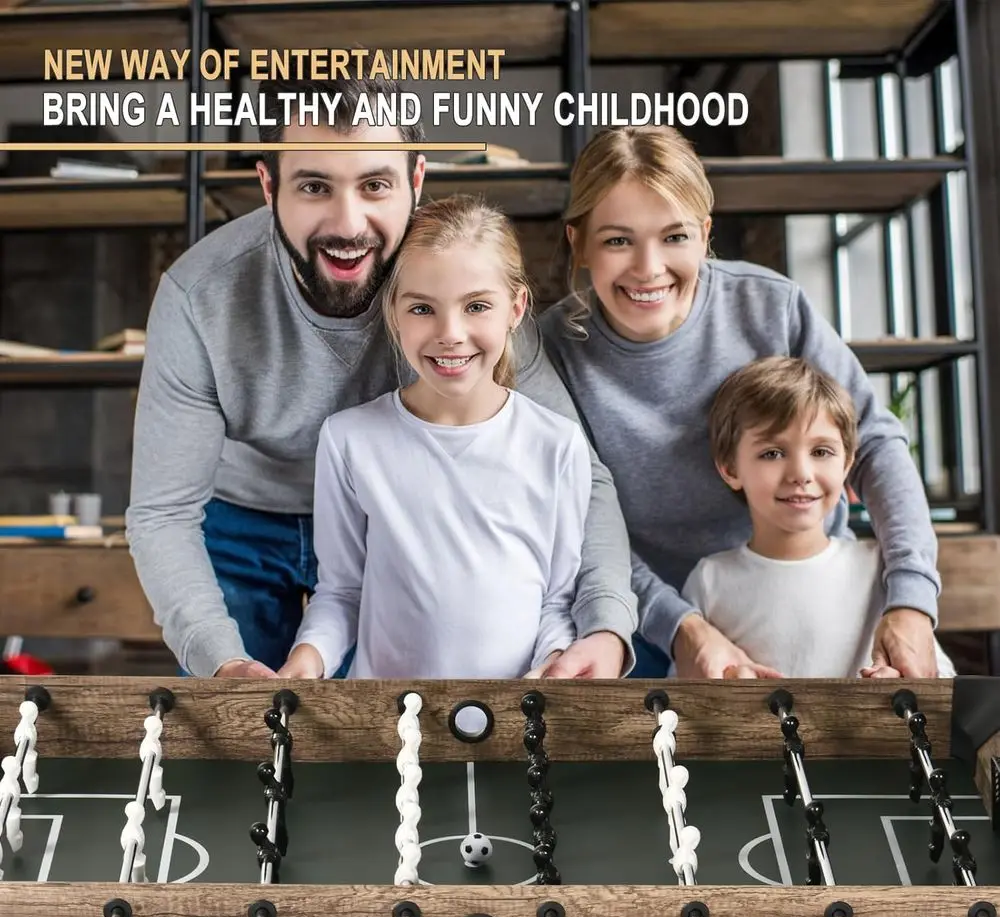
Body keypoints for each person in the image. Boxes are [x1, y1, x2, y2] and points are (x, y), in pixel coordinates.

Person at [124, 71, 637, 680]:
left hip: (394, 518)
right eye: (315, 186)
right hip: (242, 518)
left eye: (376, 185)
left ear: (415, 181)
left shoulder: (459, 281)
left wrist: (607, 627)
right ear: (268, 185)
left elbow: (582, 478)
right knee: (243, 737)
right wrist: (220, 658)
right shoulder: (197, 295)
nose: (348, 224)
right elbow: (162, 513)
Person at [538, 124, 943, 680]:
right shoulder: (552, 350)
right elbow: (577, 517)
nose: (648, 268)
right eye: (617, 240)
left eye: (675, 237)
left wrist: (911, 601)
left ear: (705, 235)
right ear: (577, 242)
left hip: (803, 592)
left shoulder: (770, 306)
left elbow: (874, 442)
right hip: (643, 622)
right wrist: (681, 627)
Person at [278, 196, 591, 680]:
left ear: (516, 307)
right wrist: (308, 657)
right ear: (394, 314)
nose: (450, 333)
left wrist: (552, 666)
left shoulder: (557, 445)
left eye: (477, 307)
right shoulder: (350, 441)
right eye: (423, 308)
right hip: (386, 731)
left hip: (510, 728)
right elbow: (342, 591)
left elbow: (557, 599)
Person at [681, 356, 954, 679]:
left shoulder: (879, 570)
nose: (801, 474)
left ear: (848, 463)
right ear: (730, 469)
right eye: (772, 453)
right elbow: (686, 697)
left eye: (821, 452)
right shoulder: (709, 581)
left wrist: (902, 682)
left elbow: (939, 680)